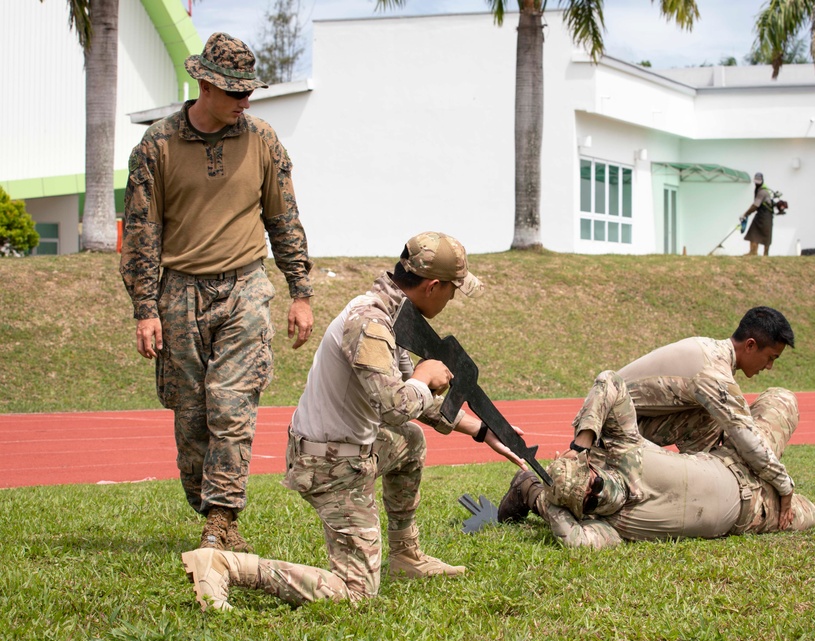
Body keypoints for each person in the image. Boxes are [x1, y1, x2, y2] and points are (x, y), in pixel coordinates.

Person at [180, 232, 529, 611]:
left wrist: (481, 430)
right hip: (329, 464)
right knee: (357, 594)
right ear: (432, 286)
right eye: (452, 290)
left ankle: (405, 556)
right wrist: (423, 379)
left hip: (347, 449)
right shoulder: (370, 323)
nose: (451, 298)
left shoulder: (392, 316)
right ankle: (226, 566)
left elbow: (411, 407)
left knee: (410, 440)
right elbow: (395, 406)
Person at [120, 32, 315, 553]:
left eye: (249, 93)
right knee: (191, 417)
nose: (245, 103)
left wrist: (300, 291)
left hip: (246, 287)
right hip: (178, 292)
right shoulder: (156, 147)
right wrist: (145, 309)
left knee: (231, 404)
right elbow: (141, 234)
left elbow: (283, 218)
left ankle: (222, 520)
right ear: (204, 85)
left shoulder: (263, 139)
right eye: (235, 93)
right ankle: (207, 504)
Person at [498, 371, 815, 550]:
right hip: (756, 514)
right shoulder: (612, 528)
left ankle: (734, 428)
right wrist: (546, 500)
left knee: (782, 397)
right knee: (812, 514)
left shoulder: (624, 454)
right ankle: (526, 488)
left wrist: (582, 443)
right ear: (585, 515)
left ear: (593, 467)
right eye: (590, 502)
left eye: (593, 483)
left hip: (738, 460)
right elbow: (579, 545)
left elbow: (610, 381)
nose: (600, 493)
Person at [616, 306, 799, 526]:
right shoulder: (713, 373)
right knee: (727, 420)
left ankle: (707, 480)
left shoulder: (711, 351)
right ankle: (709, 484)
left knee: (713, 415)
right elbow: (748, 439)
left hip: (626, 424)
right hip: (612, 435)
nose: (769, 366)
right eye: (770, 357)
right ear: (750, 345)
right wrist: (785, 486)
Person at [740, 172, 774, 256]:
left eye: (758, 181)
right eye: (756, 181)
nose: (757, 183)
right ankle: (756, 253)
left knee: (758, 233)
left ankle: (760, 253)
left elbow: (755, 205)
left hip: (764, 215)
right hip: (764, 215)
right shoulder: (760, 189)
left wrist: (745, 214)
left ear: (762, 181)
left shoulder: (762, 192)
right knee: (759, 233)